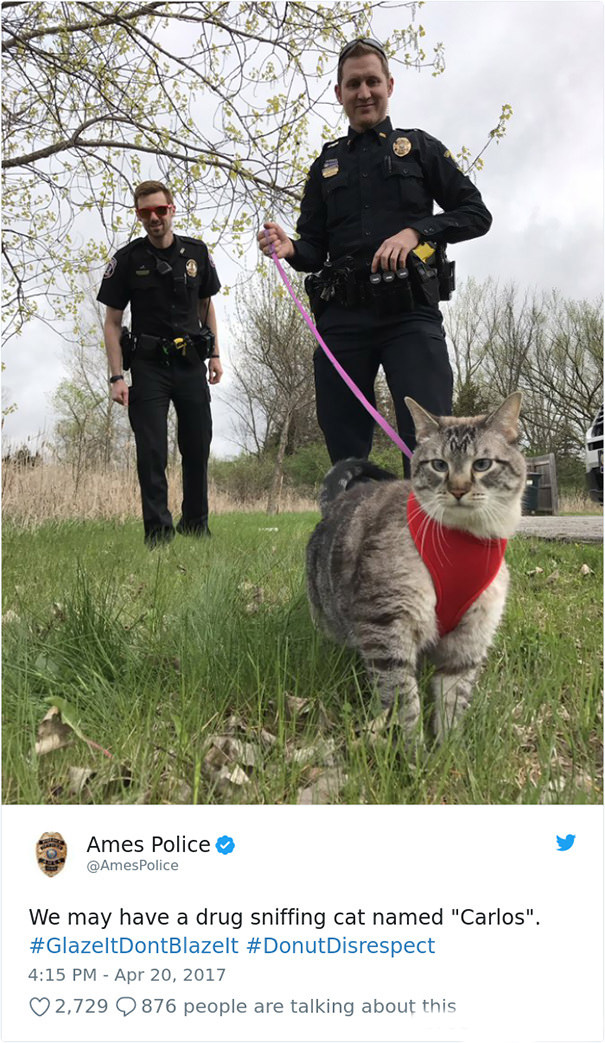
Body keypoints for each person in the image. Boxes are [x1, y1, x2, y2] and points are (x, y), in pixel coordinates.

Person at [258, 38, 491, 473]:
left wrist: (416, 231)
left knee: (431, 446)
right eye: (353, 84)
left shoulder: (419, 148)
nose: (363, 92)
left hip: (409, 314)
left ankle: (425, 542)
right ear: (339, 93)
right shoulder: (325, 165)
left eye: (371, 82)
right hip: (343, 319)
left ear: (389, 85)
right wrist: (290, 247)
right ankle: (357, 540)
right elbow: (312, 248)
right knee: (345, 456)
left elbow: (476, 214)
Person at [97, 180, 223, 546]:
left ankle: (196, 526)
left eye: (160, 210)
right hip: (149, 366)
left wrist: (215, 354)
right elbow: (112, 322)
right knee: (151, 452)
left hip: (190, 364)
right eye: (145, 212)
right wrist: (116, 376)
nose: (154, 218)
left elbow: (206, 306)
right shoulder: (126, 260)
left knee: (197, 446)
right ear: (139, 216)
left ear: (172, 209)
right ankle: (159, 534)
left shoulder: (196, 254)